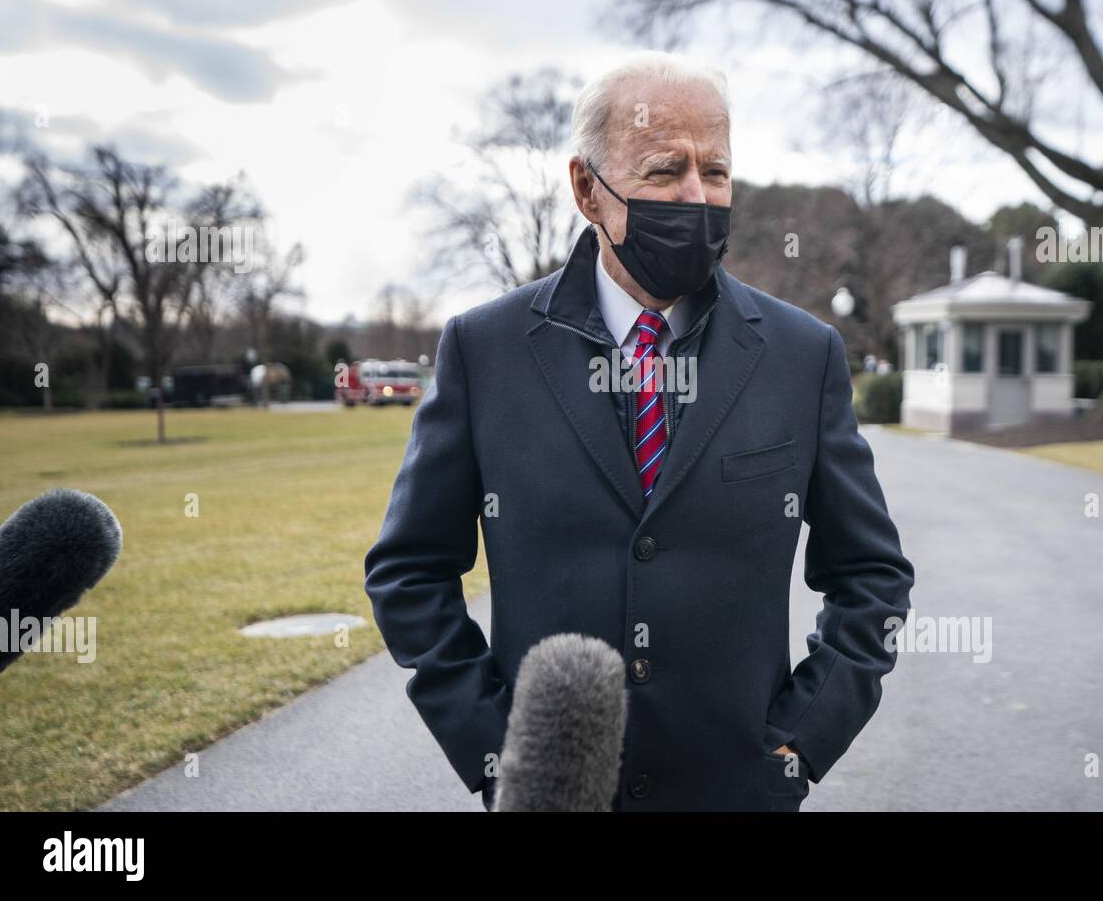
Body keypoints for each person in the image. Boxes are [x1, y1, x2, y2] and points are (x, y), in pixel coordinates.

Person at [364, 50, 914, 812]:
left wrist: (797, 746)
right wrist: (502, 757)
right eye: (664, 171)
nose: (697, 196)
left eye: (715, 173)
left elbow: (873, 577)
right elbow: (409, 572)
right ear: (588, 188)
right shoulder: (482, 351)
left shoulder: (802, 355)